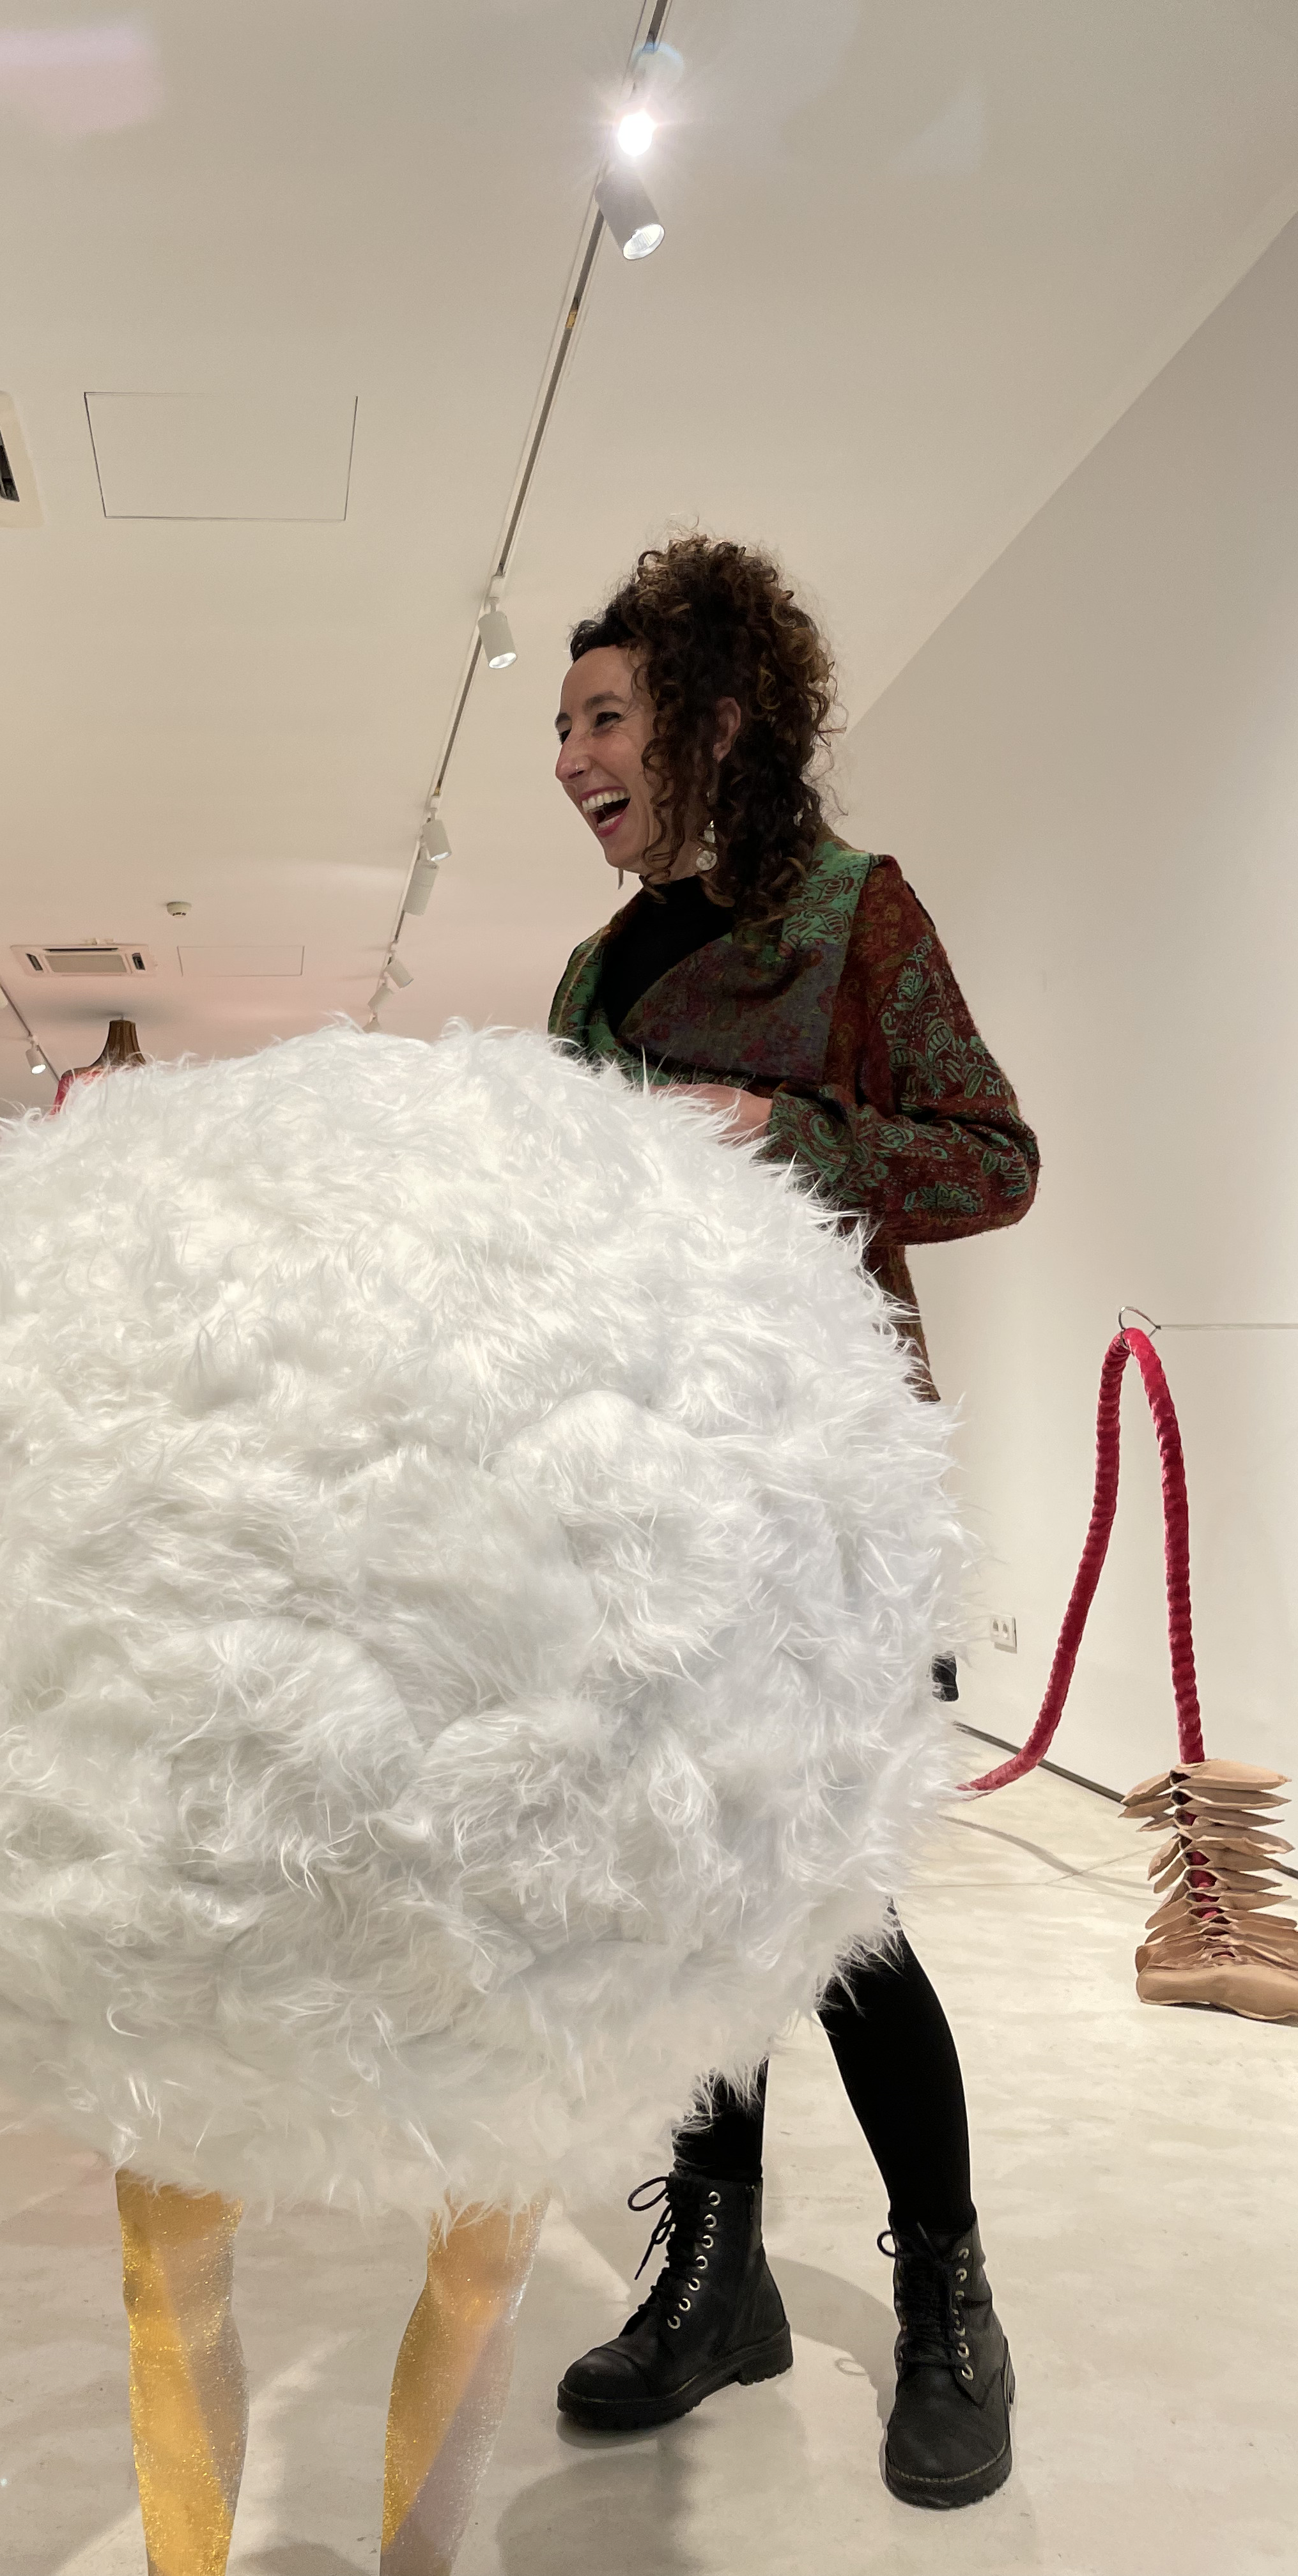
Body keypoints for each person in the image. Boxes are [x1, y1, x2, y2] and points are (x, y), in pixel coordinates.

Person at [547, 533, 1039, 2511]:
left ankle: (946, 2293)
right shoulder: (598, 973)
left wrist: (781, 1133)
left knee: (845, 1915)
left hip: (828, 1499)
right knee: (695, 1905)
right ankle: (717, 2280)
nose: (571, 758)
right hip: (653, 1493)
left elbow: (993, 1156)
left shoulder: (856, 915)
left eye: (605, 718)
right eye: (563, 728)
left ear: (718, 722)